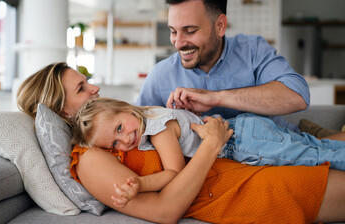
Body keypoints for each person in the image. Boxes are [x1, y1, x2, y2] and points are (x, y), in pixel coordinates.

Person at [17, 62, 345, 223]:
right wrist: (210, 145)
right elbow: (165, 210)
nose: (94, 90)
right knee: (319, 154)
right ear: (63, 110)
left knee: (318, 148)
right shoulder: (89, 158)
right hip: (241, 185)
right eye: (81, 89)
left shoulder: (116, 129)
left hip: (241, 163)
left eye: (87, 82)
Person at [71, 97, 345, 207]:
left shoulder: (157, 128)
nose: (125, 140)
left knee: (314, 156)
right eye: (114, 145)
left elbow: (174, 172)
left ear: (128, 109)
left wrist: (141, 184)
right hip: (247, 131)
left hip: (245, 141)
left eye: (120, 127)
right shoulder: (148, 118)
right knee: (317, 147)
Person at [136, 0, 309, 132]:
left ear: (220, 26)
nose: (178, 43)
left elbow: (298, 96)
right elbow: (136, 127)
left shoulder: (252, 51)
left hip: (283, 151)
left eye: (190, 31)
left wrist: (217, 98)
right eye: (173, 31)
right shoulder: (161, 75)